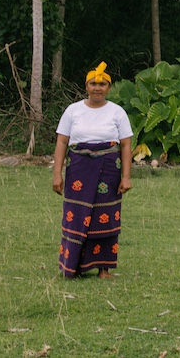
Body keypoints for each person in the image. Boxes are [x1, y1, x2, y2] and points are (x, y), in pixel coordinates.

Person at [52, 62, 133, 279]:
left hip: (109, 169)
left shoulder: (117, 112)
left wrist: (126, 177)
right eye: (93, 83)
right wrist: (57, 174)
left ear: (109, 87)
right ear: (86, 86)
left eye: (103, 84)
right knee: (76, 215)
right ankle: (73, 266)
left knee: (104, 216)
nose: (98, 88)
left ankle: (103, 269)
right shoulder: (73, 110)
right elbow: (61, 143)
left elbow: (125, 145)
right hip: (78, 168)